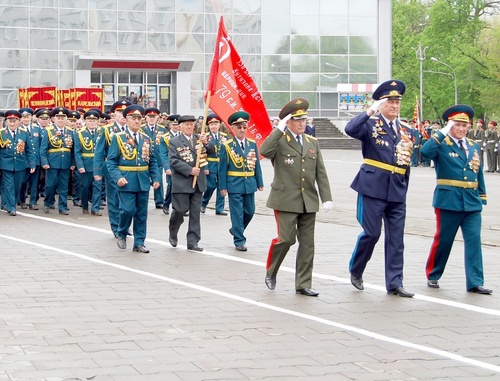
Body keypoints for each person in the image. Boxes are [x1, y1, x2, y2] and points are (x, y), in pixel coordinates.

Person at [344, 79, 415, 297]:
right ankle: (356, 269)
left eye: (397, 102)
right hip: (372, 188)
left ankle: (394, 282)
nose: (394, 105)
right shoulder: (370, 124)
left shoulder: (407, 131)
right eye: (390, 101)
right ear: (381, 104)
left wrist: (403, 186)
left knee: (396, 239)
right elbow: (350, 129)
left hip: (396, 190)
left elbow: (406, 163)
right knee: (372, 233)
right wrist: (370, 110)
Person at [260, 98, 333, 297]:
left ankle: (303, 283)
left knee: (308, 244)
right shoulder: (280, 140)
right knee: (286, 239)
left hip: (308, 200)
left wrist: (326, 197)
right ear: (288, 122)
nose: (302, 123)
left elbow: (321, 172)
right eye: (297, 120)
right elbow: (264, 151)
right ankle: (271, 271)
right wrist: (278, 129)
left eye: (304, 120)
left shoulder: (312, 143)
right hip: (285, 200)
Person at [420, 105, 491, 294]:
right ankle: (433, 274)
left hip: (471, 201)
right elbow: (425, 153)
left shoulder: (473, 145)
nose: (461, 129)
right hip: (449, 200)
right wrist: (441, 133)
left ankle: (475, 281)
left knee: (474, 240)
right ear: (450, 125)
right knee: (444, 240)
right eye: (457, 125)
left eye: (464, 125)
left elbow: (478, 172)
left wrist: (481, 195)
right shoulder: (442, 143)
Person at [106, 105, 161, 253]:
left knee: (142, 213)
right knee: (127, 210)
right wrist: (117, 177)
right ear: (127, 120)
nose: (136, 122)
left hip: (142, 181)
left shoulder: (146, 139)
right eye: (133, 118)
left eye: (139, 119)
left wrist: (155, 177)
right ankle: (122, 233)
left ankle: (139, 242)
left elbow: (152, 161)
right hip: (126, 180)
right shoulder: (119, 138)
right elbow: (111, 161)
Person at [218, 111, 264, 251]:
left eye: (244, 127)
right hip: (234, 184)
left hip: (249, 183)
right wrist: (223, 186)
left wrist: (260, 181)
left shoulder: (252, 144)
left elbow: (256, 164)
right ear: (233, 128)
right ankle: (239, 240)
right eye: (239, 127)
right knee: (237, 213)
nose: (242, 130)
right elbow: (222, 169)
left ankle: (236, 229)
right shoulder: (227, 146)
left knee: (250, 211)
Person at [168, 115, 214, 251]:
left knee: (195, 213)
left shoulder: (199, 140)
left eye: (191, 124)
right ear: (180, 126)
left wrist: (206, 142)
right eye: (186, 124)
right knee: (180, 210)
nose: (189, 127)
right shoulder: (174, 141)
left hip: (198, 183)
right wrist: (189, 170)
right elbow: (173, 161)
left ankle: (193, 241)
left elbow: (213, 152)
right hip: (182, 182)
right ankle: (173, 230)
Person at [94, 100, 131, 236]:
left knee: (127, 201)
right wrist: (97, 171)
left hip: (129, 171)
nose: (122, 115)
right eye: (119, 112)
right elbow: (99, 152)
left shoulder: (132, 130)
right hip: (112, 170)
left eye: (125, 112)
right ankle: (116, 228)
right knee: (114, 200)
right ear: (113, 114)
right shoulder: (106, 130)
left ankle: (125, 226)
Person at [40, 107, 75, 215]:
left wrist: (73, 163)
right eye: (58, 118)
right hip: (52, 162)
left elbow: (73, 149)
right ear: (53, 119)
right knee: (50, 185)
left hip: (65, 162)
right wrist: (45, 162)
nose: (60, 120)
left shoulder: (70, 131)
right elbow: (43, 148)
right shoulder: (49, 130)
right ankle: (48, 202)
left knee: (64, 186)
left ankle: (63, 206)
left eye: (63, 118)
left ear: (66, 119)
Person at [0, 110, 36, 216]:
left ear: (18, 122)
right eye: (10, 121)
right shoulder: (2, 133)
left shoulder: (23, 133)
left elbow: (29, 150)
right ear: (6, 122)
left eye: (14, 121)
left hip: (20, 164)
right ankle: (11, 207)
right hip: (6, 164)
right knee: (9, 185)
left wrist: (32, 163)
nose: (12, 124)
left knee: (17, 186)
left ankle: (12, 204)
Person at [74, 109, 102, 216]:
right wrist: (80, 165)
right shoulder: (80, 133)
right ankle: (85, 206)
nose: (92, 122)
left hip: (98, 165)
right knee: (85, 187)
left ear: (97, 121)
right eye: (89, 120)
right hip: (86, 164)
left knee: (97, 187)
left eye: (94, 120)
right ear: (85, 121)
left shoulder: (101, 132)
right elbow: (77, 151)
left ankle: (95, 208)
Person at [201, 113, 228, 216]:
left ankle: (219, 208)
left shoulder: (224, 136)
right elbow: (202, 153)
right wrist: (205, 167)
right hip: (211, 164)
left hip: (221, 165)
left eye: (215, 124)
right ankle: (203, 203)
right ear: (208, 126)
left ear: (219, 125)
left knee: (222, 186)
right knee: (210, 186)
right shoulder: (205, 137)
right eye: (211, 124)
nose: (213, 126)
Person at [141, 107, 168, 209]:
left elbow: (165, 144)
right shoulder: (142, 128)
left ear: (157, 118)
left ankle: (159, 201)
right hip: (145, 157)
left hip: (158, 158)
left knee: (158, 179)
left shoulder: (162, 129)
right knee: (144, 180)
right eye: (149, 117)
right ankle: (144, 200)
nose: (151, 119)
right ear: (146, 117)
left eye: (154, 117)